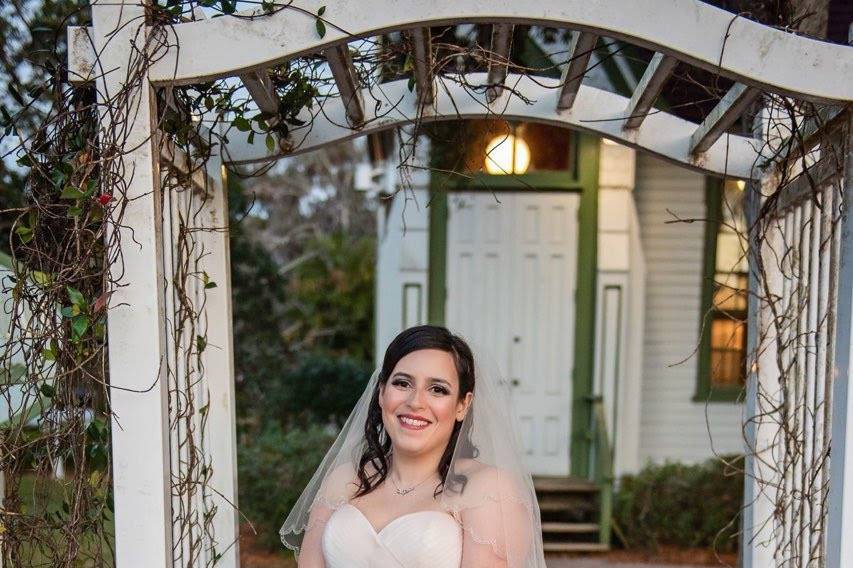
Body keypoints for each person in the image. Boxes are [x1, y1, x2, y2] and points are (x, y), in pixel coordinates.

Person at [280, 325, 546, 567]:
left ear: (462, 405)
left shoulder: (488, 488)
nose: (416, 402)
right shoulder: (345, 478)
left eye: (438, 389)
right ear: (382, 392)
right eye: (402, 383)